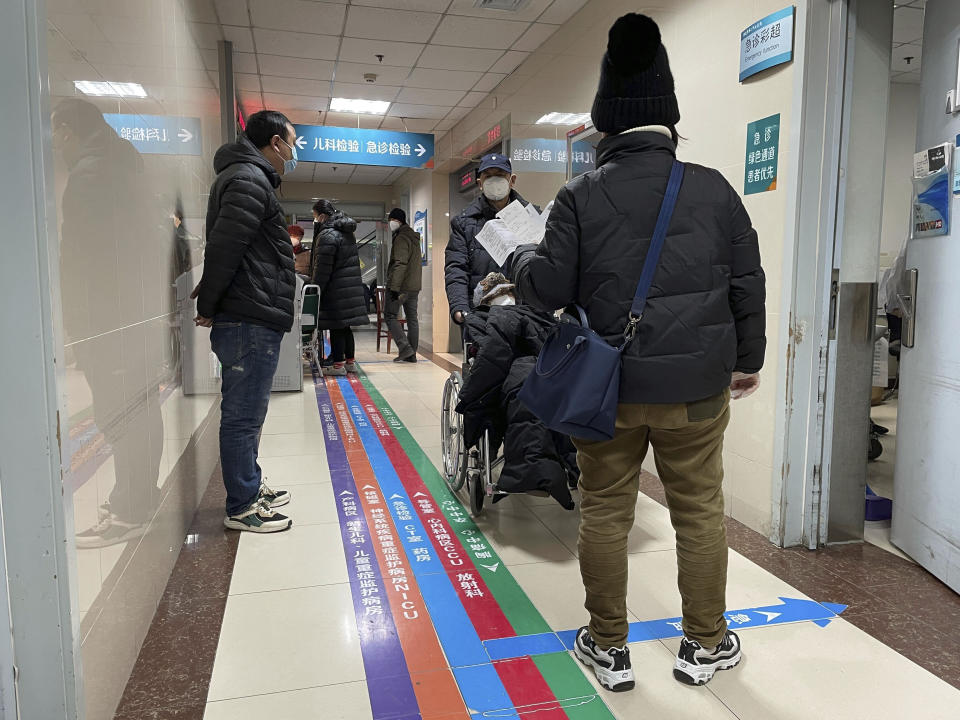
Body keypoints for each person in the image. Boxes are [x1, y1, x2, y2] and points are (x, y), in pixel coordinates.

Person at [509, 14, 766, 692]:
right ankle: (706, 645)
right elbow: (747, 280)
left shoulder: (579, 195)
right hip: (697, 391)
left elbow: (546, 289)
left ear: (605, 125)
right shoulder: (714, 189)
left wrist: (522, 255)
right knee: (700, 512)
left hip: (609, 390)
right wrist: (749, 360)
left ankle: (608, 646)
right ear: (667, 121)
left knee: (605, 510)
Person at [53, 98, 164, 548]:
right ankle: (136, 498)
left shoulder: (94, 175)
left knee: (122, 414)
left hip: (112, 317)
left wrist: (78, 319)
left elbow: (86, 259)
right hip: (134, 314)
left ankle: (130, 510)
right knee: (139, 409)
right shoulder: (125, 169)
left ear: (65, 130)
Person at [194, 110, 298, 534]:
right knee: (242, 414)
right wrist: (210, 304)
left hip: (249, 312)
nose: (292, 153)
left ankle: (249, 487)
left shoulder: (247, 178)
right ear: (276, 142)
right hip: (247, 315)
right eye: (292, 143)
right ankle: (241, 505)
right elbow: (225, 248)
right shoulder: (249, 180)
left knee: (249, 411)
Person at [445, 153, 532, 326]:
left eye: (500, 175)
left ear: (512, 180)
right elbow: (456, 269)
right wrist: (459, 308)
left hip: (523, 316)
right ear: (480, 183)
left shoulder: (529, 217)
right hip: (480, 317)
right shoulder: (464, 223)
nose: (494, 181)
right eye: (488, 176)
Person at [310, 199, 368, 376]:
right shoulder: (346, 231)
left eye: (314, 216)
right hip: (349, 286)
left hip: (336, 288)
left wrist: (315, 289)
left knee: (336, 326)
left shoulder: (328, 234)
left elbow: (323, 268)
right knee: (346, 327)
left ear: (322, 215)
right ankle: (350, 363)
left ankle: (337, 366)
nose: (314, 220)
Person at [385, 208, 422, 363]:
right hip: (414, 286)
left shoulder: (401, 238)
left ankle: (405, 348)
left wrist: (394, 288)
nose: (390, 224)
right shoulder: (413, 237)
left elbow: (400, 264)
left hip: (401, 286)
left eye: (391, 220)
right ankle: (412, 354)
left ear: (398, 221)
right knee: (412, 318)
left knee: (390, 316)